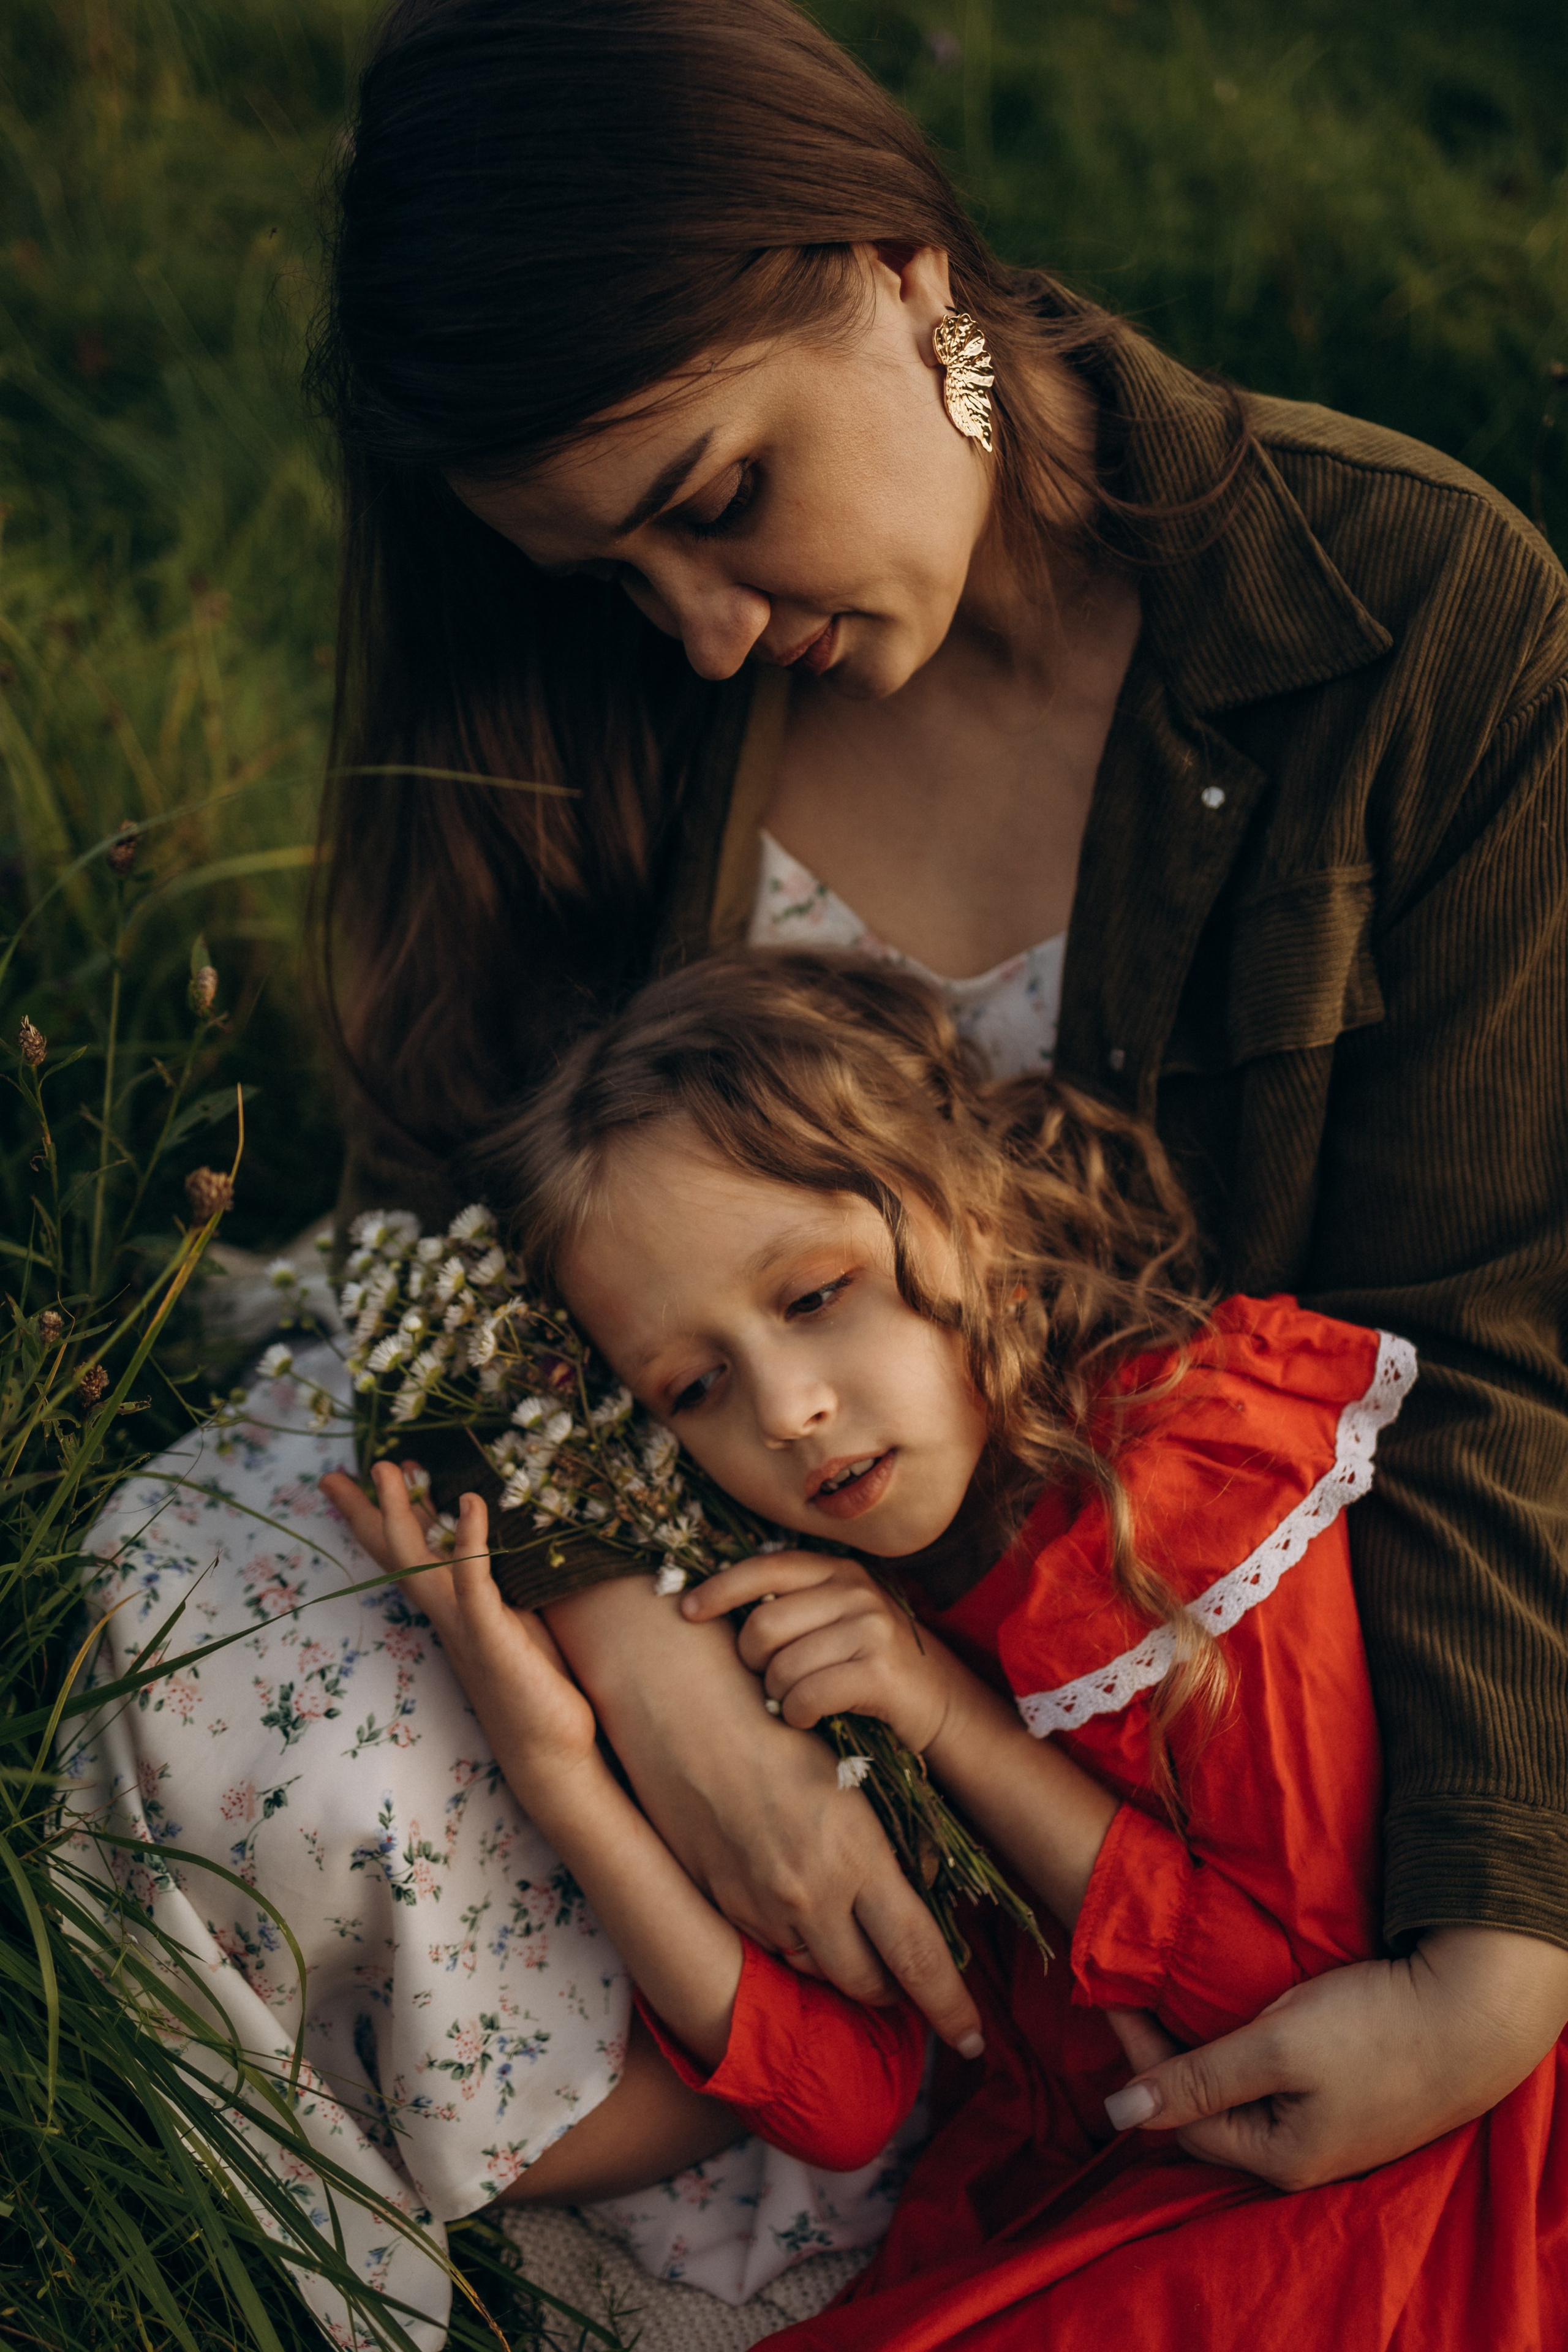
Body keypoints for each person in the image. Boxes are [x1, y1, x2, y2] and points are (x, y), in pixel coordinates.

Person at [306, 0, 1568, 2196]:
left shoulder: (1413, 623)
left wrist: (1504, 1948)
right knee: (238, 1753)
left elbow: (1490, 1344)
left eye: (720, 504)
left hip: (1165, 1783)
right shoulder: (589, 680)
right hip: (684, 1602)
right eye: (613, 574)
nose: (693, 633)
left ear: (899, 265)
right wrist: (638, 1652)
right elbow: (437, 1181)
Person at [324, 948, 1568, 2350]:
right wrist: (561, 1772)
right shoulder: (816, 1603)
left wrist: (947, 1721)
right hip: (1132, 2179)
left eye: (812, 1295)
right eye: (694, 1387)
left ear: (965, 1212)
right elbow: (839, 2100)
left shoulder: (1183, 1485)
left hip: (1419, 2165)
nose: (787, 1410)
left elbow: (1295, 2008)